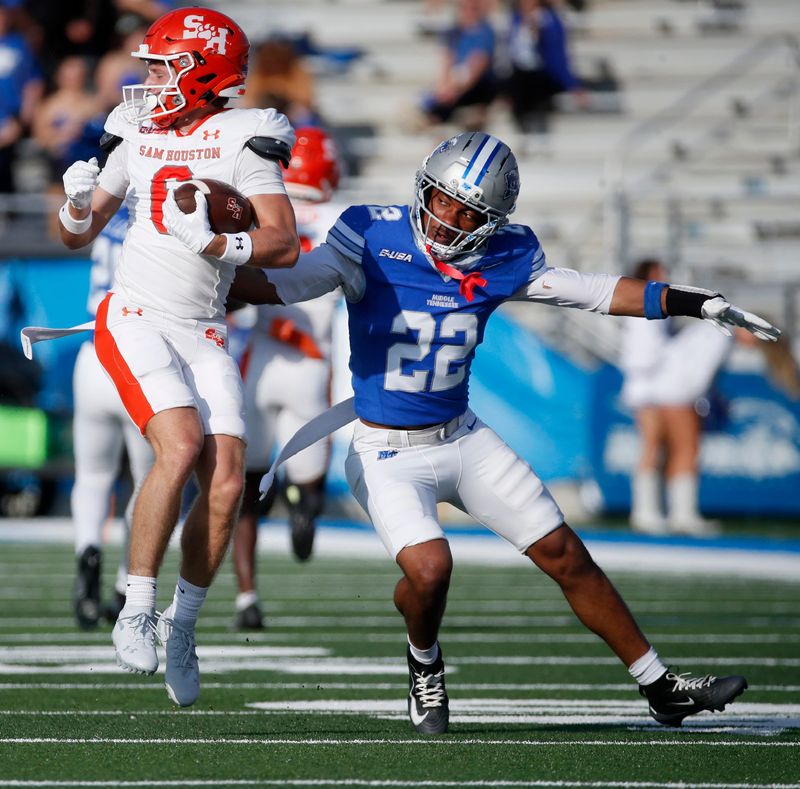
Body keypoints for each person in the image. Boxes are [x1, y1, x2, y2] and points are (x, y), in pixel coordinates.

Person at [231, 131, 778, 734]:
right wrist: (198, 274)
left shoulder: (505, 254)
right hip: (385, 448)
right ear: (423, 190)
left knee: (566, 555)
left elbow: (593, 292)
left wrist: (695, 303)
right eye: (442, 201)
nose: (449, 220)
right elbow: (292, 282)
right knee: (431, 570)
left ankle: (660, 685)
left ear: (491, 221)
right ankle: (424, 663)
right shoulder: (370, 233)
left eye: (469, 213)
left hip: (463, 437)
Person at [57, 6, 299, 708]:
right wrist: (75, 203)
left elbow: (281, 241)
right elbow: (80, 233)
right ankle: (135, 602)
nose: (150, 80)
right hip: (132, 315)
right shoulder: (136, 129)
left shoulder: (244, 136)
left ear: (205, 71)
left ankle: (181, 626)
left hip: (204, 326)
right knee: (181, 442)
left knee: (226, 484)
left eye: (164, 66)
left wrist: (218, 244)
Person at [231, 127, 344, 630]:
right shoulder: (341, 220)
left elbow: (233, 286)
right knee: (310, 478)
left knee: (245, 487)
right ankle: (302, 502)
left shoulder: (259, 209)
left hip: (261, 359)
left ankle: (247, 598)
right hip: (311, 361)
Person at [71, 201, 155, 629]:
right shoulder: (159, 219)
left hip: (91, 354)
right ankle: (126, 584)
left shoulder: (109, 218)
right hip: (136, 360)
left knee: (92, 476)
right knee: (149, 485)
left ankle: (87, 554)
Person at [619, 259, 733, 536]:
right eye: (659, 272)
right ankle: (646, 512)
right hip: (648, 388)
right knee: (652, 446)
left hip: (652, 386)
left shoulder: (650, 309)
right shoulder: (643, 307)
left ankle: (665, 513)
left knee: (662, 448)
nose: (664, 275)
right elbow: (644, 355)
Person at [499, 0, 586, 138]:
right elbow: (508, 55)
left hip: (541, 76)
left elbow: (557, 56)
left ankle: (534, 131)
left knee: (529, 82)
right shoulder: (514, 18)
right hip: (517, 77)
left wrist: (573, 85)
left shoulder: (549, 20)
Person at [418, 0, 496, 130]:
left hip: (475, 87)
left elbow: (477, 65)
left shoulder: (485, 32)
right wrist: (444, 87)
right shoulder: (452, 33)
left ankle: (438, 117)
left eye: (472, 8)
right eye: (464, 8)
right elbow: (446, 61)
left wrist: (454, 90)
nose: (468, 12)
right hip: (455, 86)